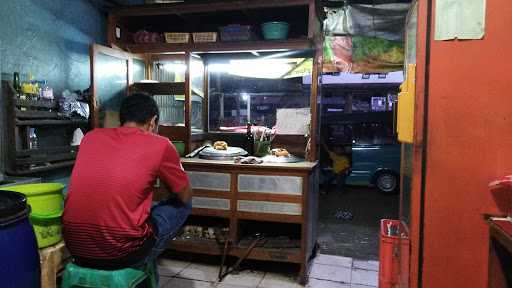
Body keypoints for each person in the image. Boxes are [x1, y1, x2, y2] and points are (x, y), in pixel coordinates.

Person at [62, 93, 192, 272]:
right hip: (121, 253)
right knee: (182, 205)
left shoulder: (90, 138)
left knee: (142, 210)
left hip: (75, 248)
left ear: (121, 118)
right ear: (153, 121)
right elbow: (185, 194)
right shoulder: (161, 144)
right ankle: (143, 263)